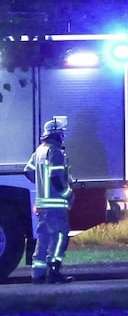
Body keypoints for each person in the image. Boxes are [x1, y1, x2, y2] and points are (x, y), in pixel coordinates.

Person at [23, 118, 75, 284]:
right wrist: (67, 193)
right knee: (60, 236)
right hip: (55, 204)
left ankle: (37, 275)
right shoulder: (55, 152)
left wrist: (41, 184)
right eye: (62, 133)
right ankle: (54, 271)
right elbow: (55, 176)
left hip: (42, 203)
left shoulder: (39, 151)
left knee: (44, 238)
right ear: (57, 134)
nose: (63, 136)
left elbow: (28, 171)